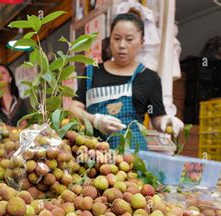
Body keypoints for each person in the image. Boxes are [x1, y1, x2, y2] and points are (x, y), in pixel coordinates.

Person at [69, 10, 184, 150]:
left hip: (132, 158)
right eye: (117, 38)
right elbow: (73, 109)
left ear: (142, 42)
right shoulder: (92, 72)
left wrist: (167, 121)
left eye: (129, 39)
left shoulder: (149, 78)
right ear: (109, 39)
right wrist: (95, 120)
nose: (122, 45)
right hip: (93, 155)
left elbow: (157, 118)